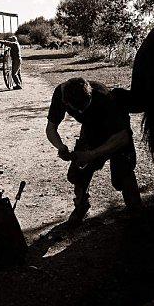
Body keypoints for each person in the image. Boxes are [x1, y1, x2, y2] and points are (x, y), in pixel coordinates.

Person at [46, 77, 142, 226]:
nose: (80, 112)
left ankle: (136, 209)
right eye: (77, 109)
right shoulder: (61, 94)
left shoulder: (106, 98)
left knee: (123, 171)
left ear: (90, 94)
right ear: (66, 102)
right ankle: (82, 206)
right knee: (77, 173)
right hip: (90, 130)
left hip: (116, 131)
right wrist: (61, 147)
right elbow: (51, 129)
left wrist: (92, 154)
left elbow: (122, 137)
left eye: (85, 107)